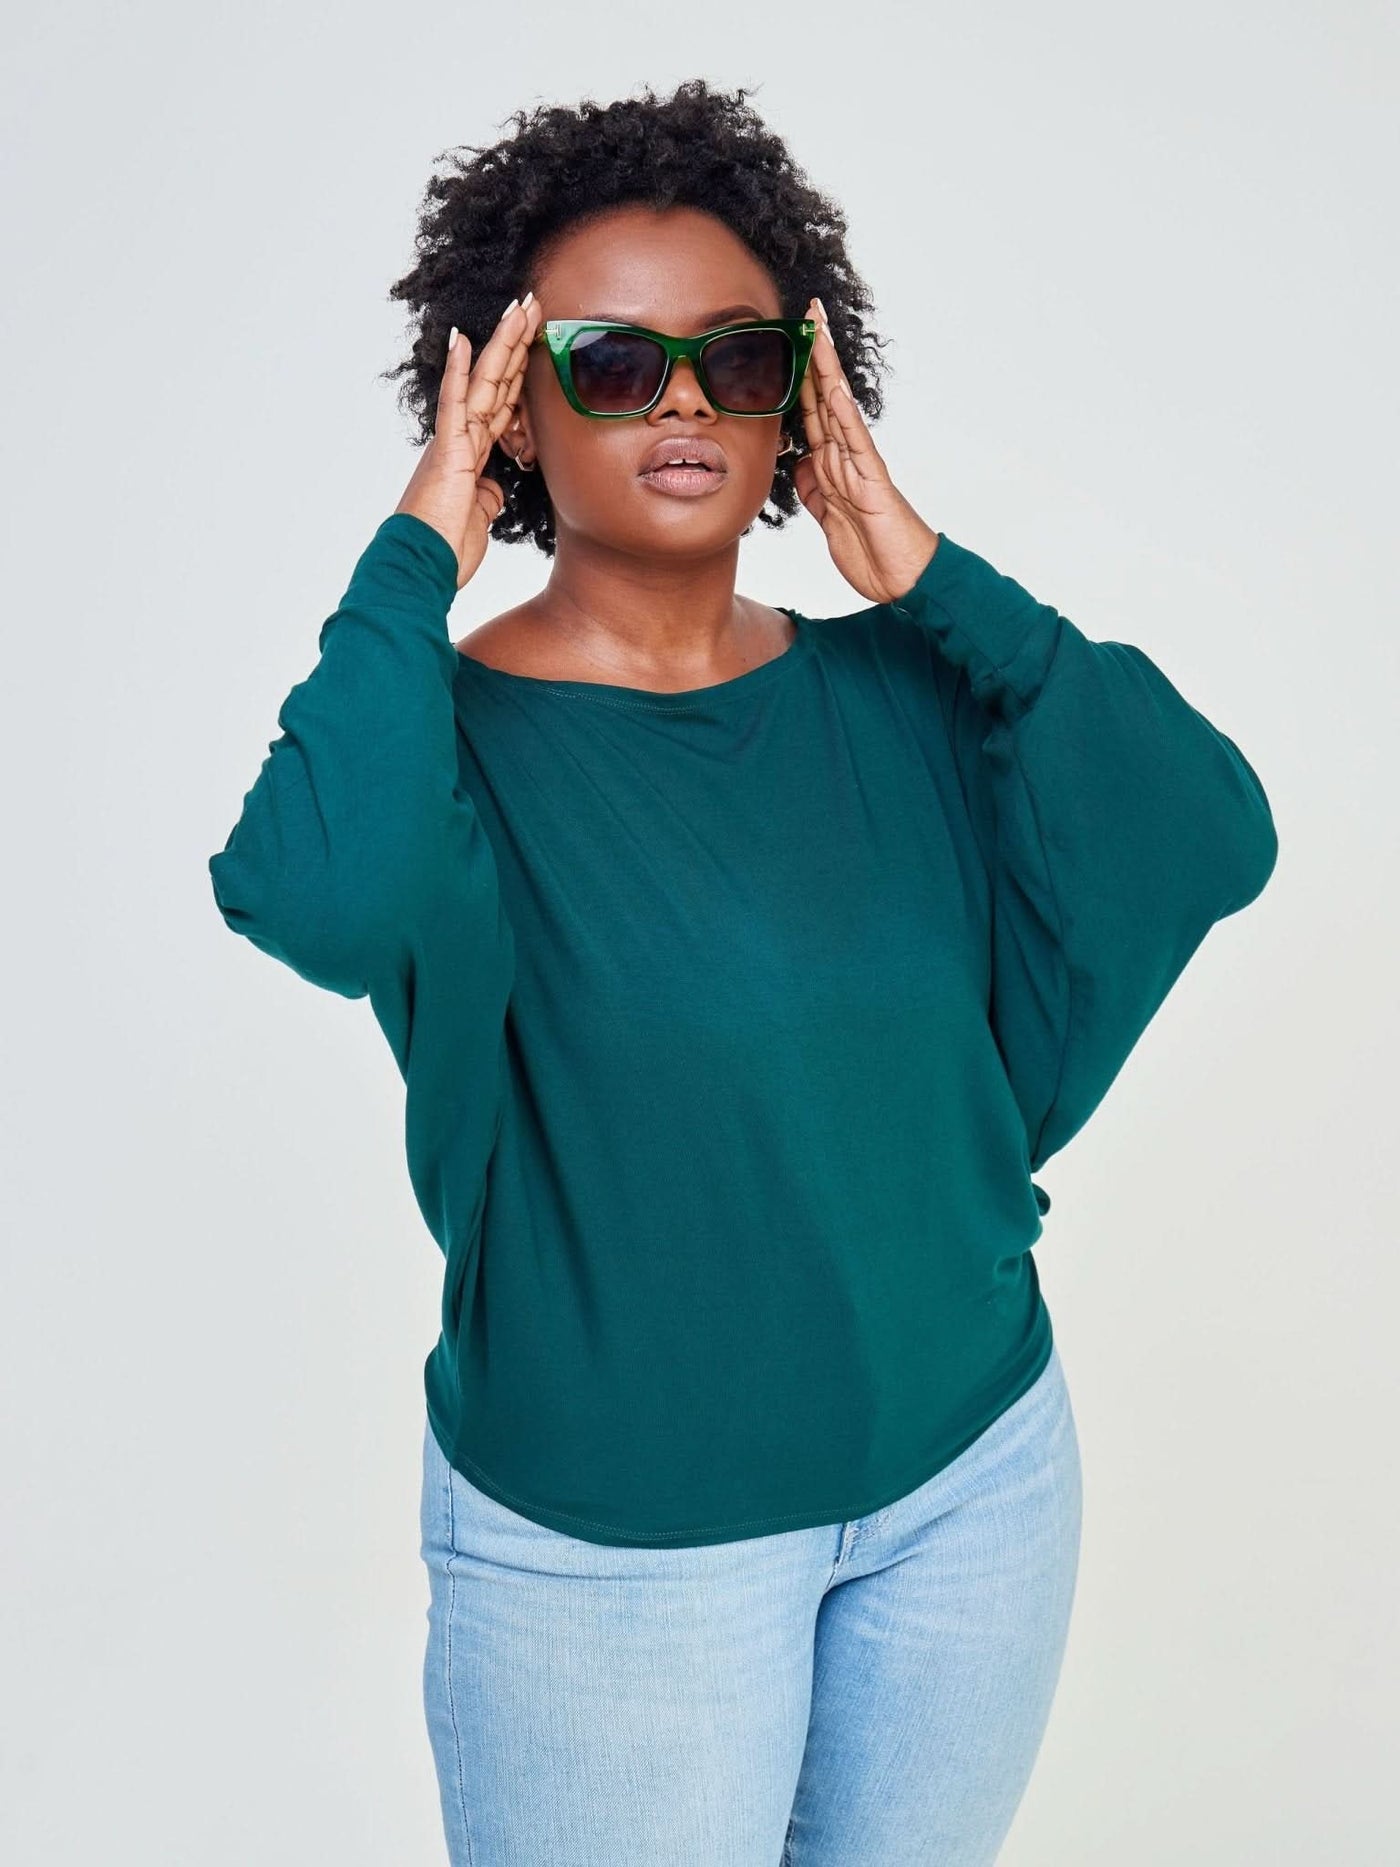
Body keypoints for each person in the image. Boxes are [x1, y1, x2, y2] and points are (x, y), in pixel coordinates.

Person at [208, 78, 1279, 1867]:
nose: (687, 401)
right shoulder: (453, 749)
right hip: (616, 1558)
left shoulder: (904, 683)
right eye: (617, 365)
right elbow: (309, 890)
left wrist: (928, 573)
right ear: (511, 412)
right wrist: (417, 552)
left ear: (804, 393)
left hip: (973, 1490)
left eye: (740, 359)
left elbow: (1208, 831)